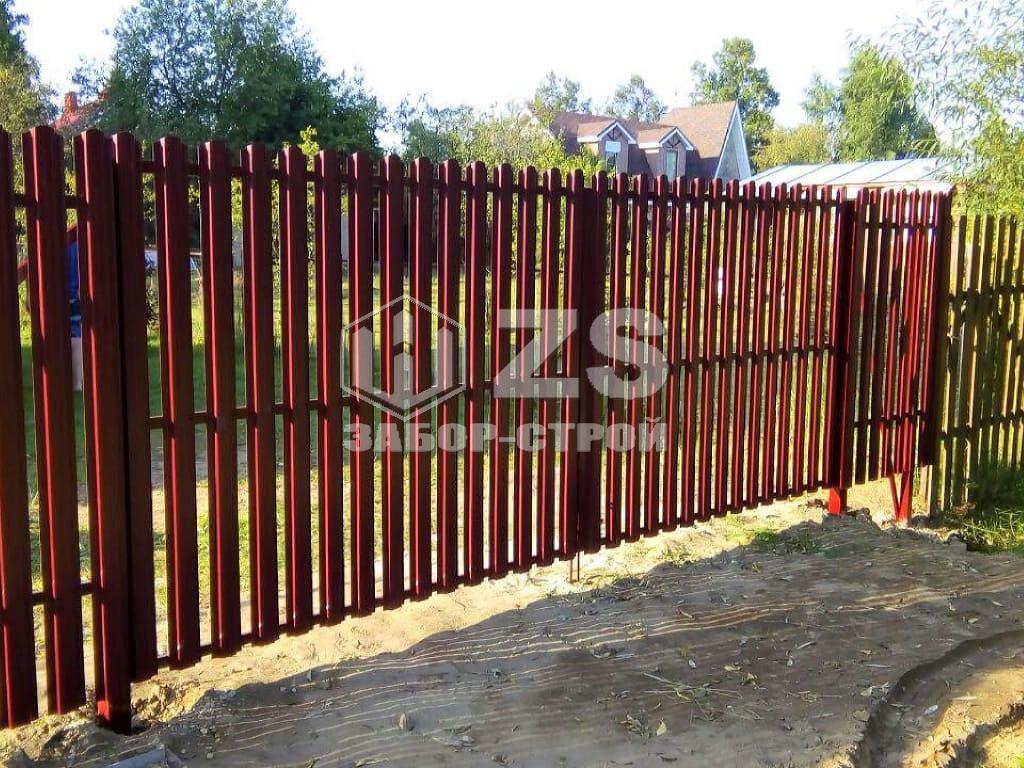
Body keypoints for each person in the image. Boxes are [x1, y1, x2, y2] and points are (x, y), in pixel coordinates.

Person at [15, 224, 84, 391]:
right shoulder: (80, 246)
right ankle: (77, 382)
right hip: (74, 296)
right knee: (75, 334)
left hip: (51, 299)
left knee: (48, 335)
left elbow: (29, 270)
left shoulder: (50, 247)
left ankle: (49, 378)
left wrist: (30, 296)